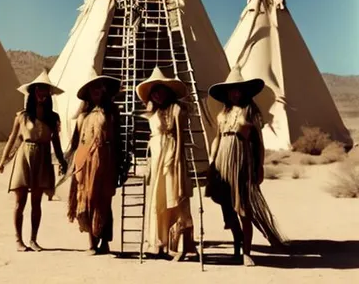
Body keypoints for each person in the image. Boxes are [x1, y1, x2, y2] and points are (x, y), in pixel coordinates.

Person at [206, 67, 285, 266]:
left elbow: (259, 143)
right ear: (227, 93)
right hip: (222, 163)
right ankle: (237, 246)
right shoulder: (222, 114)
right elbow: (217, 139)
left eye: (239, 90)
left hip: (242, 163)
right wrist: (212, 161)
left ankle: (247, 252)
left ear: (244, 92)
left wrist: (260, 167)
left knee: (244, 209)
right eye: (232, 90)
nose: (235, 93)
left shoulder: (251, 113)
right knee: (228, 210)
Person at [0, 69, 67, 252]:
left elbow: (56, 143)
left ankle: (34, 239)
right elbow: (12, 139)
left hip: (43, 158)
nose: (42, 93)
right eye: (39, 89)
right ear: (33, 92)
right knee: (20, 202)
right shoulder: (22, 116)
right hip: (24, 157)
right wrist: (3, 161)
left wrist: (62, 161)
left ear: (49, 93)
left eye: (45, 90)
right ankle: (19, 240)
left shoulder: (53, 118)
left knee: (37, 202)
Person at [136, 67, 199, 262]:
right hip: (157, 159)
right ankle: (159, 243)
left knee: (177, 199)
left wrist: (179, 163)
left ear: (168, 91)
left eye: (161, 90)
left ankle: (183, 245)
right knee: (159, 199)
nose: (158, 95)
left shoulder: (177, 110)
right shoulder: (151, 112)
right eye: (155, 92)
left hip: (172, 158)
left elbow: (181, 138)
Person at [64, 68, 124, 255]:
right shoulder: (83, 117)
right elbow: (76, 143)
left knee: (104, 200)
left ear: (104, 90)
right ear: (88, 94)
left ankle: (104, 241)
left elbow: (118, 140)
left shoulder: (111, 114)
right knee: (87, 198)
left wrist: (121, 164)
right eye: (93, 89)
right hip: (85, 162)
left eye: (99, 88)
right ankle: (91, 242)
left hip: (106, 161)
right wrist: (70, 164)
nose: (96, 91)